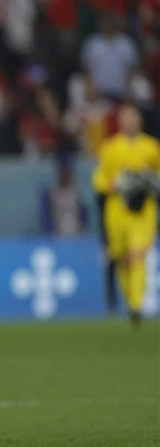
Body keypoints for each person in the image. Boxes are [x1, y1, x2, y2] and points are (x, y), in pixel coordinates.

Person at [92, 104, 160, 327]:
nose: (130, 122)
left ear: (139, 121)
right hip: (117, 210)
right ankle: (131, 299)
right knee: (121, 258)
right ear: (120, 122)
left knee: (137, 255)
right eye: (126, 118)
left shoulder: (151, 147)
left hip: (143, 211)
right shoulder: (110, 149)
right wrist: (116, 183)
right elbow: (99, 180)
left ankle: (136, 306)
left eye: (133, 118)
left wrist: (149, 181)